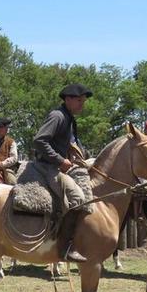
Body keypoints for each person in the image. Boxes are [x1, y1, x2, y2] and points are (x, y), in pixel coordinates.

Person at [33, 83, 94, 262]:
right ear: (67, 100)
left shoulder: (69, 119)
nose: (82, 104)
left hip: (56, 167)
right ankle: (66, 248)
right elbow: (39, 141)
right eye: (79, 101)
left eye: (83, 101)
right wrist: (60, 160)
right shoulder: (58, 116)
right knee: (78, 198)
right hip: (47, 167)